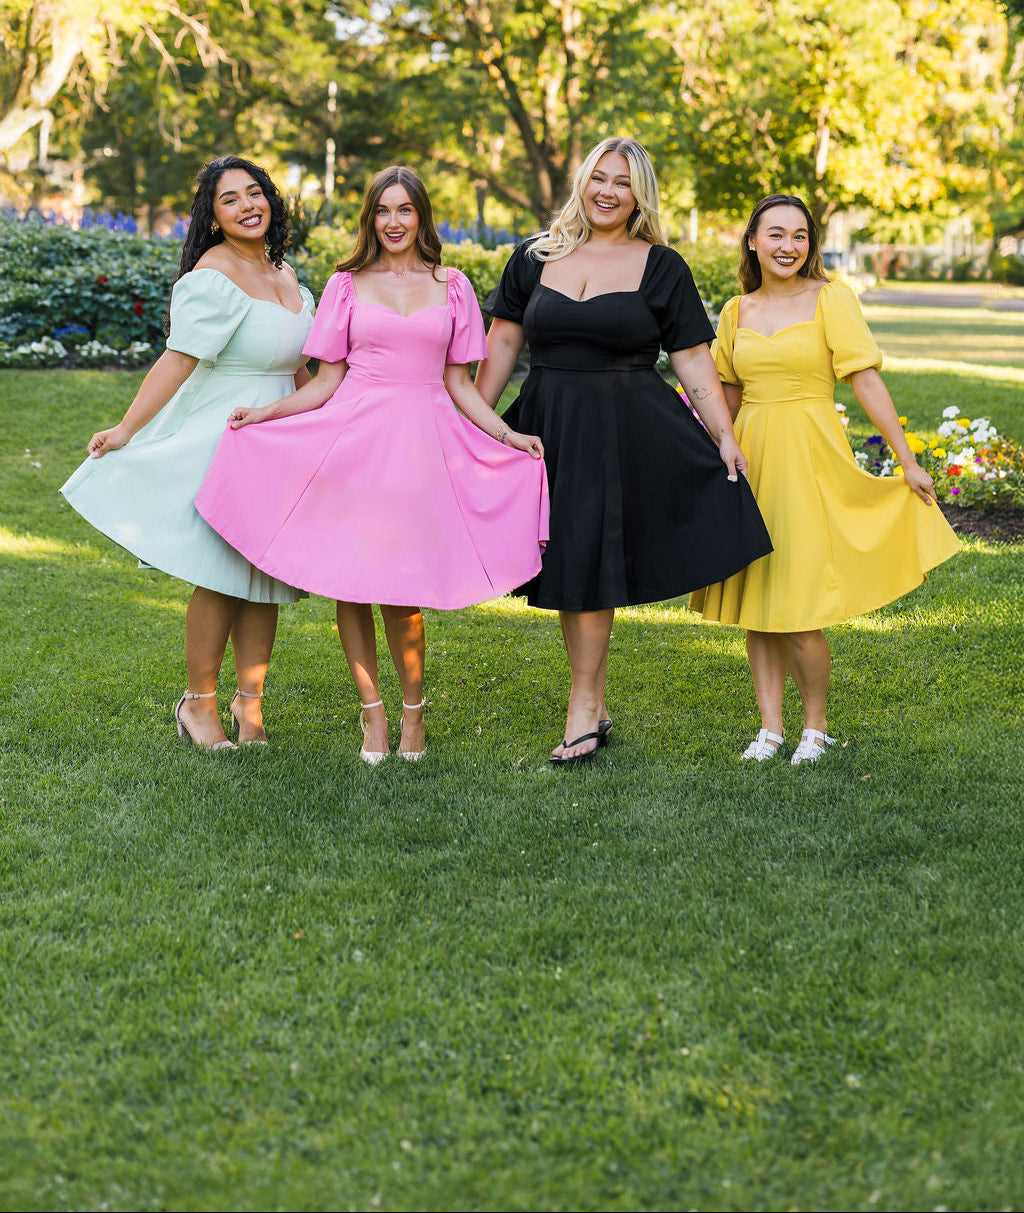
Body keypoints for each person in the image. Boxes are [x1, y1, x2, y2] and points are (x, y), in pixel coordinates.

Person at [195, 165, 548, 763]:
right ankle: (373, 718)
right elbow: (327, 380)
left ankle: (414, 718)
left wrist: (508, 433)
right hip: (355, 441)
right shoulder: (346, 285)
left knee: (402, 592)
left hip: (421, 448)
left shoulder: (453, 284)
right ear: (370, 218)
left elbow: (460, 385)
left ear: (421, 216)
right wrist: (270, 413)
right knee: (353, 586)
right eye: (382, 211)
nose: (393, 222)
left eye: (404, 210)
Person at [475, 136, 773, 765]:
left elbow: (692, 358)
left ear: (640, 194)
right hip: (549, 425)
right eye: (599, 178)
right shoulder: (533, 257)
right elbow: (502, 344)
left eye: (623, 182)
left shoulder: (662, 266)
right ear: (582, 182)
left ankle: (584, 708)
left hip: (628, 429)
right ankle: (594, 701)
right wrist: (476, 422)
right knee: (568, 565)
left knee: (587, 563)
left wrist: (724, 433)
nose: (608, 192)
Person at [690, 193, 961, 764]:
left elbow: (864, 381)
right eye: (776, 235)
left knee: (802, 603)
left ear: (810, 245)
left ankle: (815, 727)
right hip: (754, 461)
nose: (789, 246)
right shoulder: (737, 312)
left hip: (810, 456)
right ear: (753, 241)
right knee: (758, 600)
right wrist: (718, 449)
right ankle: (770, 730)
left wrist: (907, 459)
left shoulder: (830, 299)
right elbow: (727, 394)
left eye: (800, 236)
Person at [61, 155, 312, 750]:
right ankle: (199, 705)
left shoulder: (284, 270)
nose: (248, 206)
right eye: (231, 199)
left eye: (256, 194)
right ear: (213, 216)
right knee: (221, 574)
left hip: (278, 438)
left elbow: (304, 369)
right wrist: (126, 429)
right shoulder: (213, 273)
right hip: (223, 437)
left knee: (263, 577)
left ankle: (249, 709)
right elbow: (179, 358)